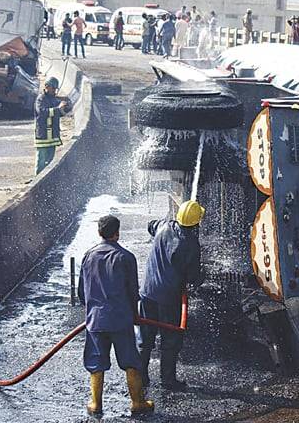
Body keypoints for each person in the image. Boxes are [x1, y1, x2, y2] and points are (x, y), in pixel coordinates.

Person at [78, 215, 154, 416]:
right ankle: (137, 403)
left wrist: (92, 310)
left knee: (96, 363)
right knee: (131, 361)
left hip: (95, 321)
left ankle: (95, 404)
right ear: (117, 233)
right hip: (121, 320)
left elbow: (81, 293)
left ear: (99, 232)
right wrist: (135, 316)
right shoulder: (126, 257)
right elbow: (132, 292)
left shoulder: (88, 256)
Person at [139, 201, 206, 391]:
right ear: (196, 224)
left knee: (146, 338)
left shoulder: (163, 226)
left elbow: (150, 225)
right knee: (170, 339)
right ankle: (167, 380)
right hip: (169, 298)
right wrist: (203, 274)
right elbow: (194, 278)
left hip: (147, 292)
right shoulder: (191, 244)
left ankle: (140, 377)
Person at [34, 77, 70, 174]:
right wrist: (58, 109)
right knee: (41, 160)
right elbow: (42, 112)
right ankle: (37, 178)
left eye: (55, 89)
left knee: (50, 161)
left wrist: (65, 107)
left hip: (53, 136)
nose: (54, 90)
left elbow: (60, 112)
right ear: (46, 86)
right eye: (53, 88)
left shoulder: (54, 99)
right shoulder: (40, 99)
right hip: (43, 135)